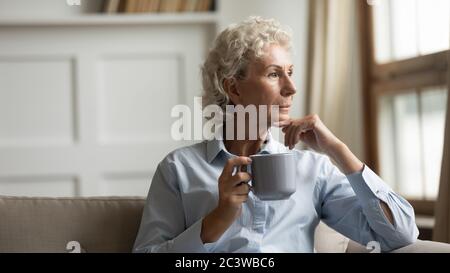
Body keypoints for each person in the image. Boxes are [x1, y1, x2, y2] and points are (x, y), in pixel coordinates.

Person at [133, 16, 418, 253]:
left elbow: (400, 235)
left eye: (290, 72)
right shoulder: (178, 169)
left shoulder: (312, 169)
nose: (291, 88)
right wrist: (216, 221)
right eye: (274, 74)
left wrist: (337, 150)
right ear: (233, 88)